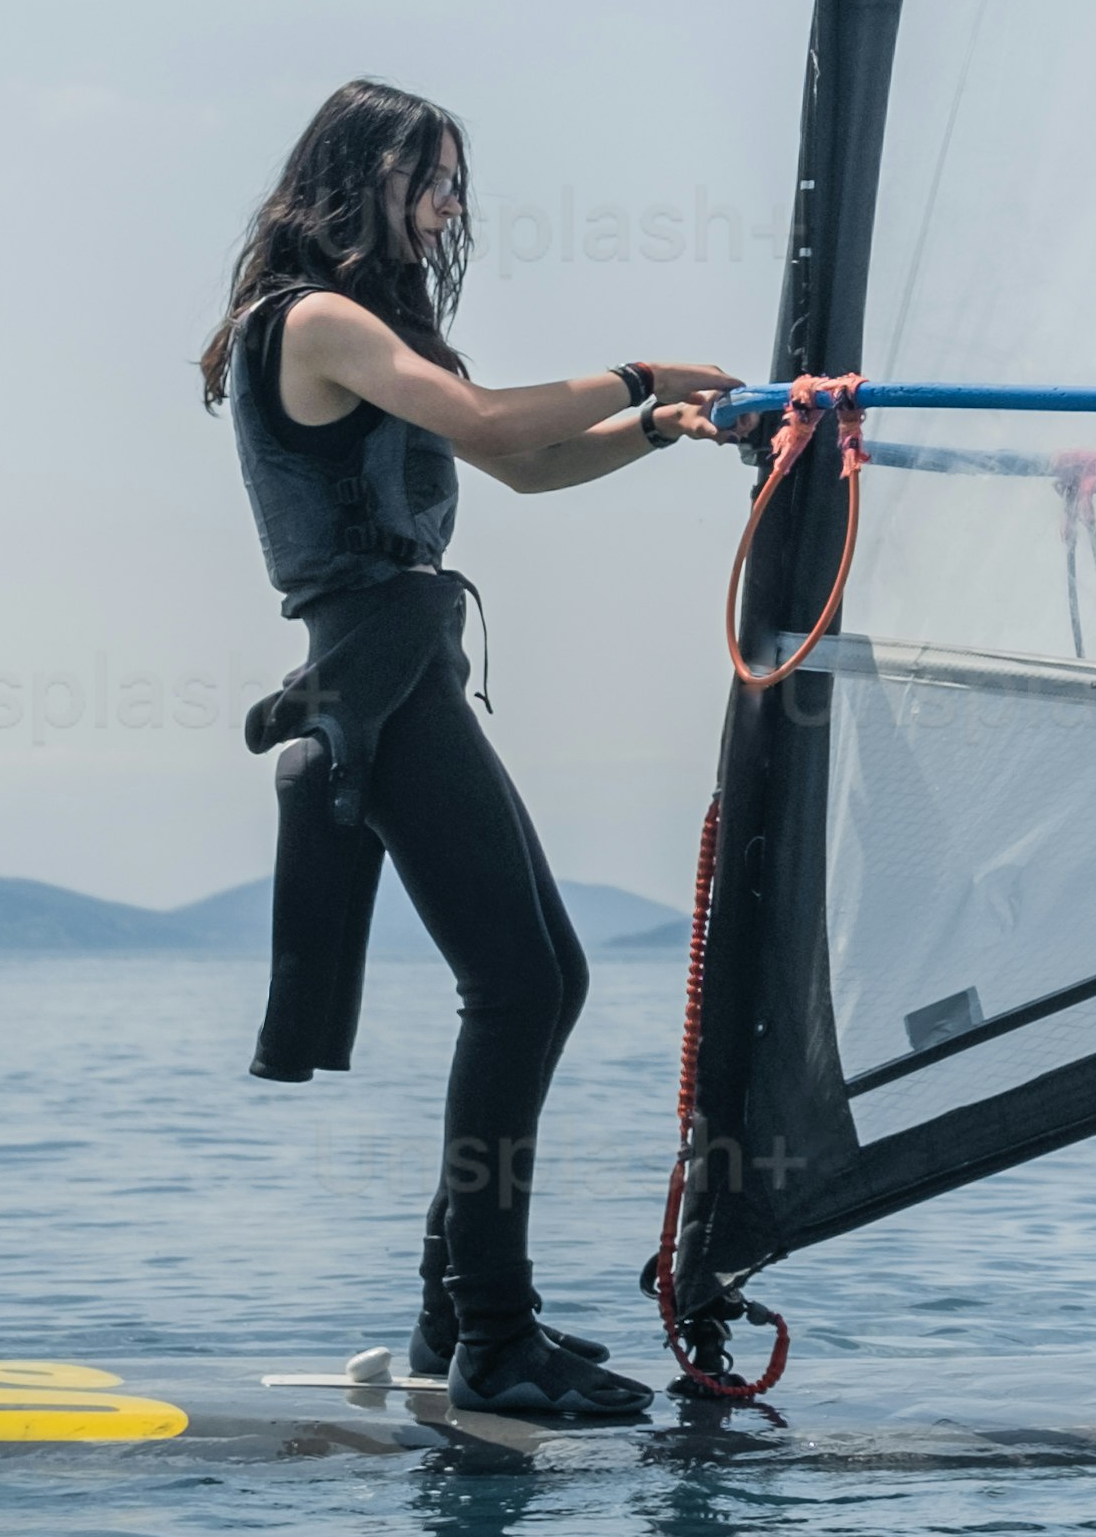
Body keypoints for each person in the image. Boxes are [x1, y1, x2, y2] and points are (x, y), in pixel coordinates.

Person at [202, 78, 732, 1430]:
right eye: (430, 177)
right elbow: (496, 423)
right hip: (378, 676)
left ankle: (460, 1314)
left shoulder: (377, 329)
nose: (450, 204)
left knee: (540, 977)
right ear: (356, 177)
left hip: (409, 665)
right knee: (520, 984)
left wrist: (657, 433)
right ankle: (488, 1332)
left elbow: (524, 469)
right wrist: (642, 371)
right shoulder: (314, 320)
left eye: (454, 182)